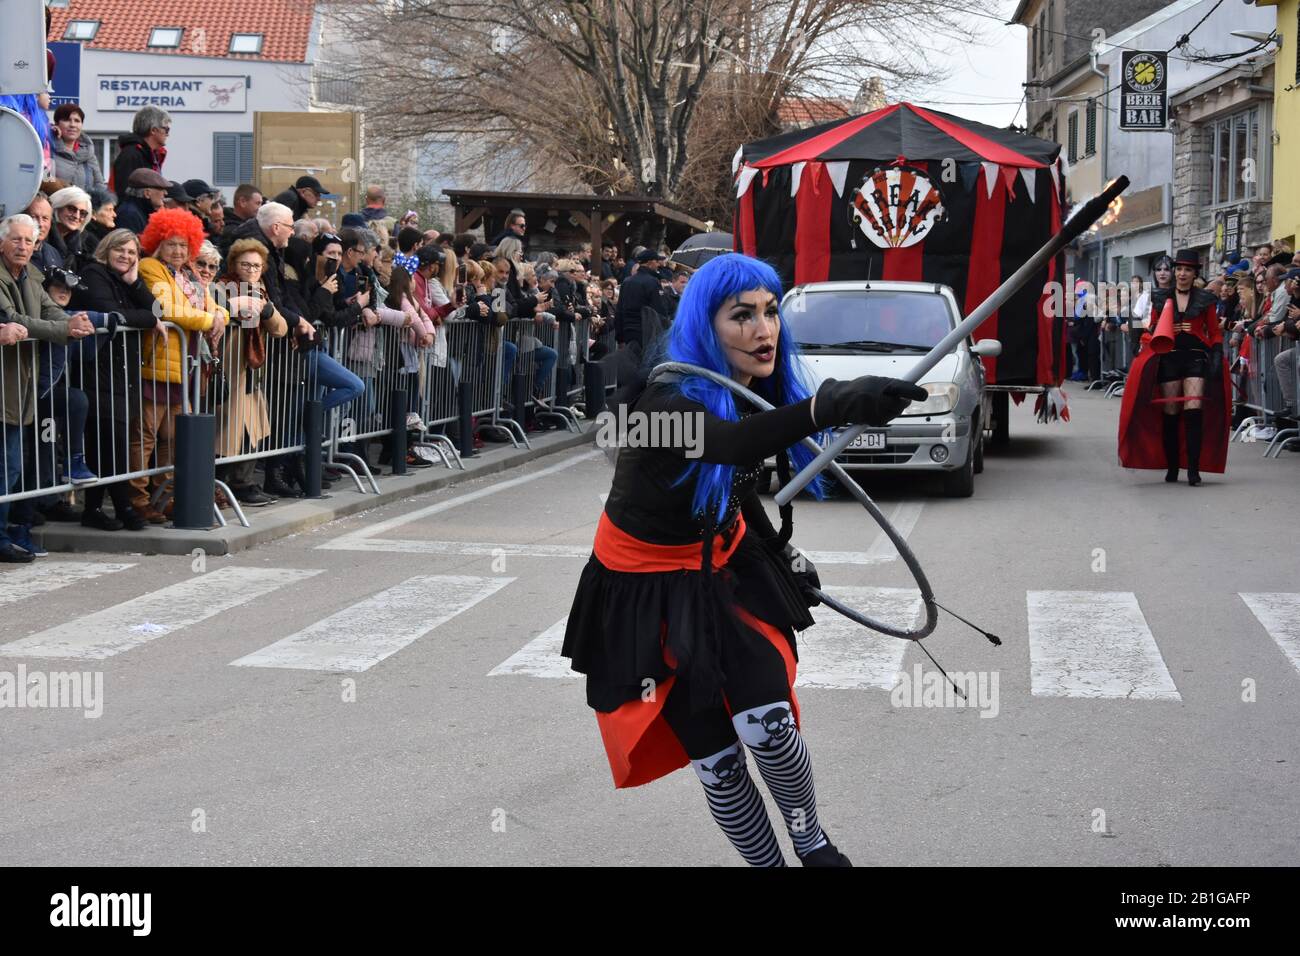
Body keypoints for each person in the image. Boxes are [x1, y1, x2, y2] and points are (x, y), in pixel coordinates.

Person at [560, 253, 924, 865]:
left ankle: (813, 844)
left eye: (771, 312)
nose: (764, 330)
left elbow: (732, 491)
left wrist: (781, 553)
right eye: (742, 316)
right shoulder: (661, 405)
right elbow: (728, 447)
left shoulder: (748, 391)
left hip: (719, 565)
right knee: (720, 761)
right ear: (707, 325)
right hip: (645, 593)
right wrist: (829, 405)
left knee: (770, 725)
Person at [0, 214, 94, 562]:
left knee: (12, 465)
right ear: (2, 243)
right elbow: (17, 320)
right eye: (16, 240)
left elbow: (50, 309)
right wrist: (63, 329)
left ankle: (8, 533)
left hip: (19, 388)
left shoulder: (31, 275)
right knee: (7, 465)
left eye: (29, 241)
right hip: (6, 386)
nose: (24, 246)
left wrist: (72, 322)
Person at [131, 209, 228, 520]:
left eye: (184, 245)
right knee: (145, 436)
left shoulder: (187, 274)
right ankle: (138, 498)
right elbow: (166, 308)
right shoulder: (149, 267)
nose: (177, 251)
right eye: (171, 244)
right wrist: (208, 319)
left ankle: (166, 494)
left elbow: (218, 309)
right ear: (158, 241)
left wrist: (218, 317)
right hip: (156, 362)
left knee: (172, 437)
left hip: (181, 367)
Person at [70, 229, 161, 532]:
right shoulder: (94, 273)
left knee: (106, 443)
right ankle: (123, 507)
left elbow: (156, 310)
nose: (126, 256)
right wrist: (143, 318)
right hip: (99, 371)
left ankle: (94, 508)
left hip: (124, 374)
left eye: (132, 252)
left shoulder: (127, 280)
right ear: (106, 249)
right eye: (120, 250)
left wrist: (135, 282)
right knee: (111, 442)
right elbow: (112, 313)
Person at [1118, 250, 1229, 486]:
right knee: (1170, 412)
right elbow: (1152, 326)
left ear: (1194, 273)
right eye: (1179, 269)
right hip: (1168, 356)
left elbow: (1215, 332)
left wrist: (1218, 353)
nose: (1181, 274)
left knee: (1193, 410)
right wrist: (1140, 340)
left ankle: (1193, 469)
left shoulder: (1205, 299)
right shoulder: (1160, 297)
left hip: (1196, 357)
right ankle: (1172, 467)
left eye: (1187, 270)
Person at [212, 240, 289, 507]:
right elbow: (215, 314)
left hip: (252, 371)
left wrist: (266, 309)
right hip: (227, 369)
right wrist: (236, 304)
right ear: (234, 264)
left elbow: (280, 329)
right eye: (246, 264)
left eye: (257, 265)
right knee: (226, 432)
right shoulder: (221, 287)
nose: (252, 270)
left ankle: (243, 483)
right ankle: (218, 484)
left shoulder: (261, 291)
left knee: (253, 429)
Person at [50, 104, 109, 204]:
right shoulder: (47, 148)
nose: (72, 125)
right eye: (67, 120)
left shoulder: (88, 151)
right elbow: (44, 181)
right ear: (56, 124)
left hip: (83, 211)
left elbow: (99, 185)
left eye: (77, 121)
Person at [110, 107, 170, 195]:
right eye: (166, 129)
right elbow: (125, 193)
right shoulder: (131, 155)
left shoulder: (153, 155)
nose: (168, 134)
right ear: (153, 130)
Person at [116, 168, 170, 235]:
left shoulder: (140, 211)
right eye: (161, 189)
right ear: (147, 193)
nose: (166, 193)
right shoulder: (129, 215)